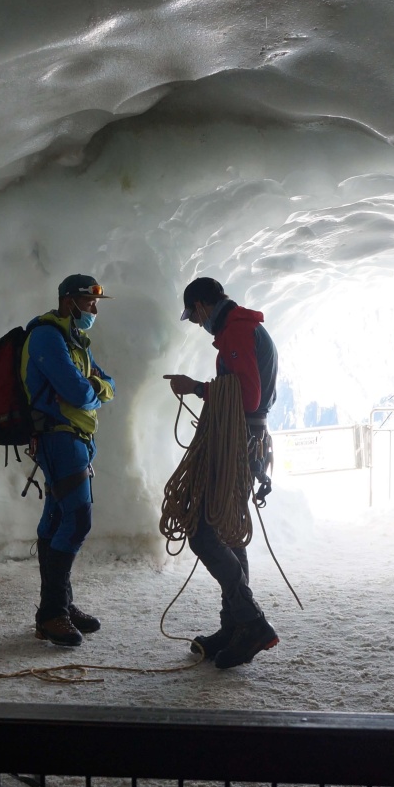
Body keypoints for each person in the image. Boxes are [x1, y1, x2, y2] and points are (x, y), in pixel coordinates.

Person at [163, 277, 280, 670]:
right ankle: (234, 627)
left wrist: (197, 388)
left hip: (237, 441)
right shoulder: (245, 328)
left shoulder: (237, 331)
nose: (199, 325)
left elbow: (247, 395)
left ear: (200, 306)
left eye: (195, 317)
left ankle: (251, 623)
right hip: (245, 440)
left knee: (203, 531)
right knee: (228, 529)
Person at [25, 274, 116, 646]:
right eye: (89, 302)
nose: (94, 309)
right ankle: (52, 614)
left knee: (58, 518)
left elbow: (107, 383)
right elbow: (79, 392)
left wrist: (94, 387)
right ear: (69, 301)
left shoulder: (74, 339)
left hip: (76, 438)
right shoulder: (47, 337)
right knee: (77, 520)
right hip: (58, 437)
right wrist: (92, 388)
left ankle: (58, 606)